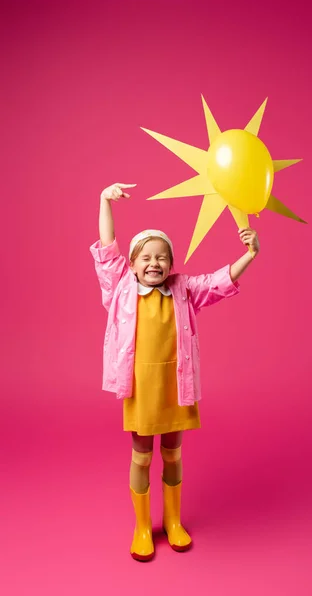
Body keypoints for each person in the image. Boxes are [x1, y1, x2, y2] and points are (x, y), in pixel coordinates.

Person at [90, 182, 260, 561]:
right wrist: (105, 201)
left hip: (175, 386)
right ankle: (141, 528)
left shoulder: (184, 288)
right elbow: (106, 248)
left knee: (173, 454)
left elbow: (219, 281)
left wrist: (249, 254)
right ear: (132, 264)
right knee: (141, 456)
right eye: (146, 257)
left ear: (172, 263)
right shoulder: (119, 287)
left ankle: (172, 520)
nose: (154, 263)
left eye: (162, 257)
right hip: (140, 387)